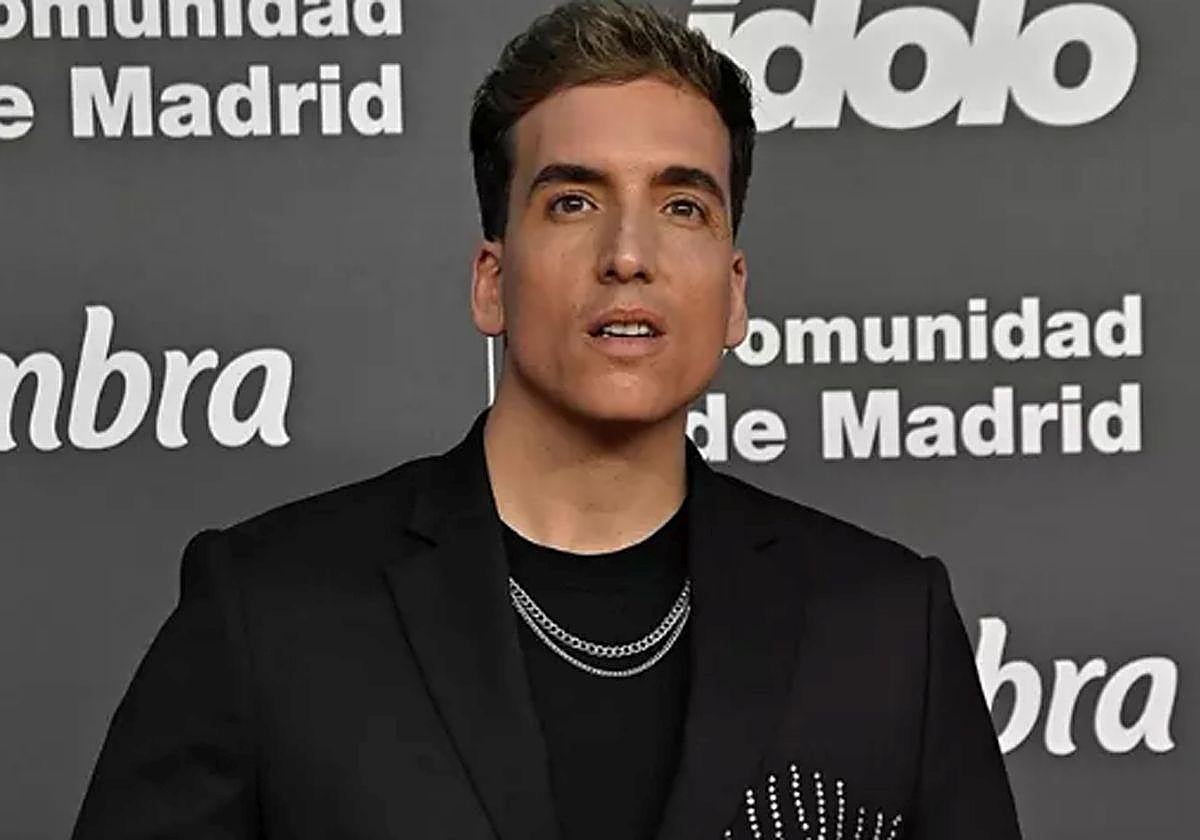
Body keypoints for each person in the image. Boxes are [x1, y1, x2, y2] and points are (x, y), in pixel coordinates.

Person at [71, 2, 1023, 838]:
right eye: (573, 201)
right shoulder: (270, 608)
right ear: (492, 281)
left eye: (682, 206)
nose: (628, 254)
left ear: (734, 293)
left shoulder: (887, 629)